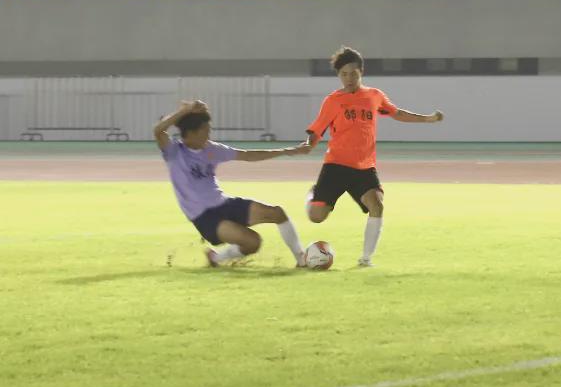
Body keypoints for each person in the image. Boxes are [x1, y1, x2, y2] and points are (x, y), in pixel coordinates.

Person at [296, 47, 444, 267]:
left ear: (361, 72)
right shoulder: (333, 101)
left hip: (364, 167)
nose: (349, 78)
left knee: (377, 205)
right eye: (344, 74)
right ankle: (313, 193)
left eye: (353, 73)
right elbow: (317, 129)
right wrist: (309, 145)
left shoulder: (374, 96)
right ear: (339, 75)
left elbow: (397, 113)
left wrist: (427, 119)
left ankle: (365, 259)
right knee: (316, 217)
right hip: (336, 166)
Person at [155, 100, 309, 268]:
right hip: (204, 217)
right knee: (253, 242)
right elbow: (159, 130)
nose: (209, 135)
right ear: (191, 133)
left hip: (224, 203)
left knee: (277, 213)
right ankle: (216, 259)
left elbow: (247, 155)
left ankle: (301, 260)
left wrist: (287, 151)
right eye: (205, 131)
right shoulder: (174, 152)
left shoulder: (212, 149)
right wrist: (186, 111)